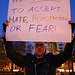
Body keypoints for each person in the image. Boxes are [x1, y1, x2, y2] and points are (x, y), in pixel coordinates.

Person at [2, 20, 75, 75]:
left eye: (41, 45)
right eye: (37, 45)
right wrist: (6, 34)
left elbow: (67, 54)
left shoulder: (52, 60)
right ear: (33, 48)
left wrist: (70, 34)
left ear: (45, 48)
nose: (39, 47)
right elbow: (12, 55)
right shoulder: (27, 60)